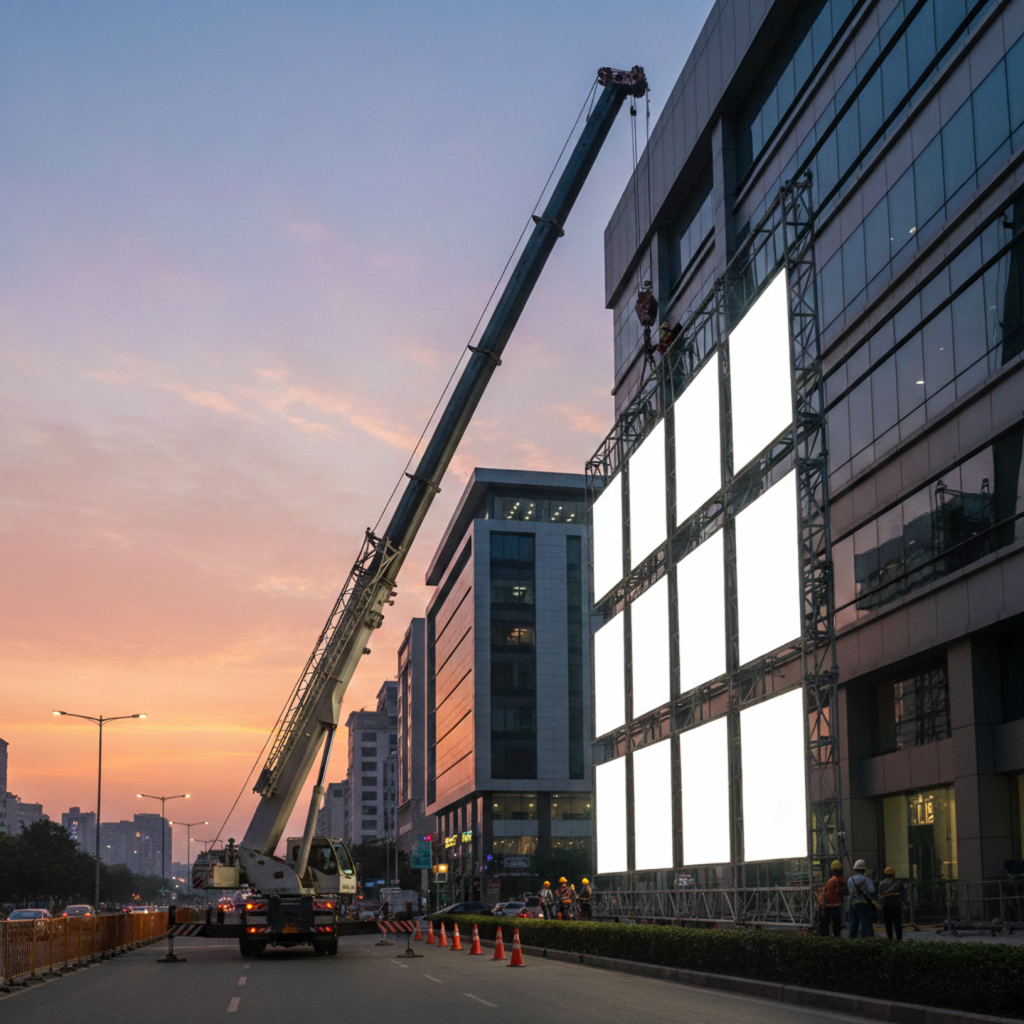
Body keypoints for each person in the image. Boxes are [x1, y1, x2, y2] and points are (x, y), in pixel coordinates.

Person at [847, 859, 878, 937]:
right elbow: (872, 890)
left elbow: (849, 891)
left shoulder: (850, 880)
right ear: (864, 870)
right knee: (864, 923)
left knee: (853, 923)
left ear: (855, 869)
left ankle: (852, 938)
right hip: (864, 904)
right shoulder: (867, 880)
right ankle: (864, 939)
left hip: (853, 903)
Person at [878, 867, 906, 940]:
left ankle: (890, 938)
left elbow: (880, 893)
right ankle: (899, 939)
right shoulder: (898, 882)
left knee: (888, 923)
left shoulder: (882, 883)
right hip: (896, 905)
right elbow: (902, 894)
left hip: (886, 905)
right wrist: (903, 902)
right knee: (897, 923)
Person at [818, 860, 845, 937]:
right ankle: (837, 936)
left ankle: (825, 937)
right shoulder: (842, 879)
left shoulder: (832, 880)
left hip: (830, 905)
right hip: (838, 904)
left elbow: (828, 893)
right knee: (837, 923)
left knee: (825, 923)